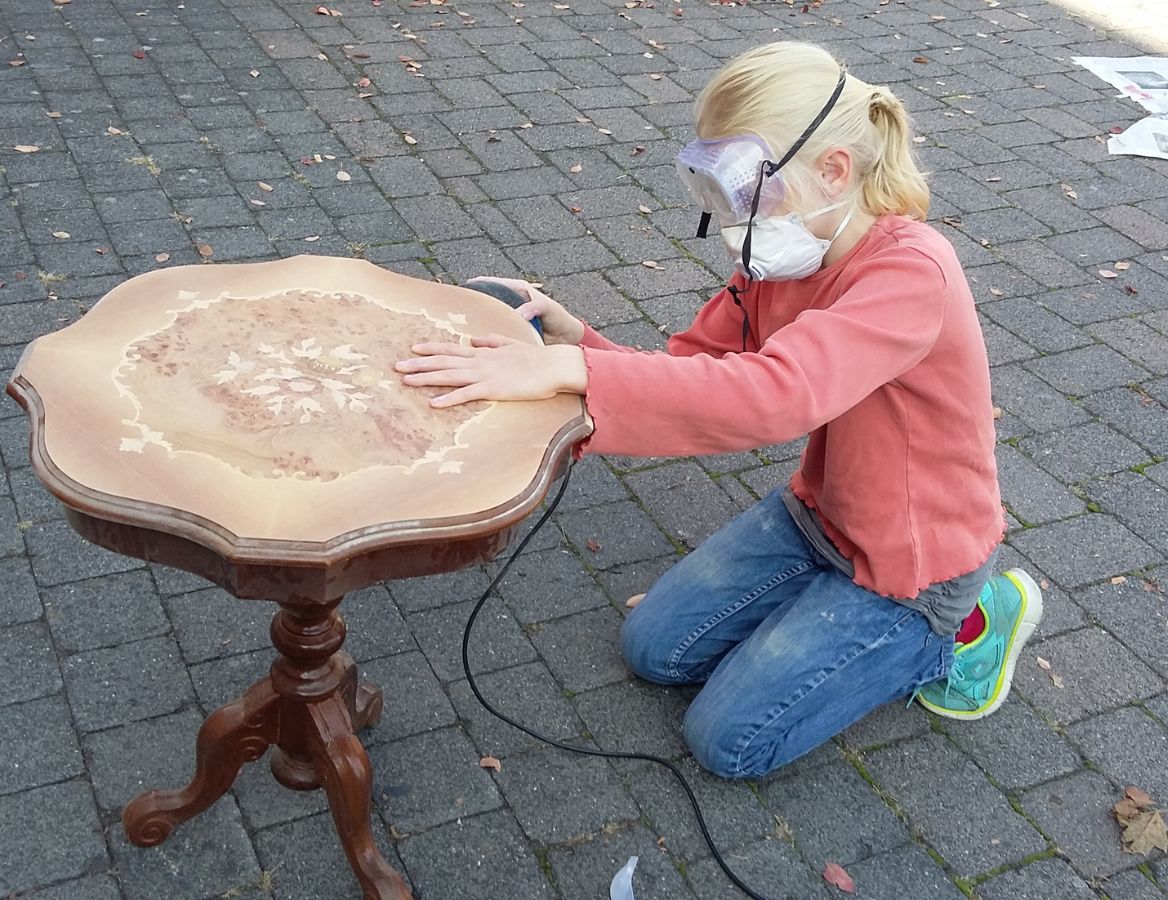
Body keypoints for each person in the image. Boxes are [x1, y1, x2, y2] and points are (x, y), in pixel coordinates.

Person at [394, 41, 1043, 779]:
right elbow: (692, 373)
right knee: (653, 650)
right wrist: (575, 339)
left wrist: (564, 369)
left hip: (912, 565)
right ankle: (819, 618)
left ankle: (965, 629)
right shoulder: (782, 260)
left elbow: (776, 395)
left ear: (834, 169)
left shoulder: (911, 272)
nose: (735, 219)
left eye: (748, 188)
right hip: (822, 517)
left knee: (729, 742)